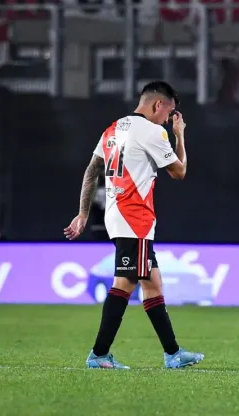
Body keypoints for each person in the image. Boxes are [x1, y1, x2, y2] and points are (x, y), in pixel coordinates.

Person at [63, 81, 204, 369]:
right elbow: (180, 171)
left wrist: (83, 213)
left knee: (152, 282)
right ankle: (100, 354)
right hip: (134, 218)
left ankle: (173, 353)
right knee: (125, 284)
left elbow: (92, 171)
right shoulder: (153, 131)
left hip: (119, 215)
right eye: (169, 113)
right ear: (157, 105)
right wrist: (179, 136)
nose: (168, 119)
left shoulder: (113, 128)